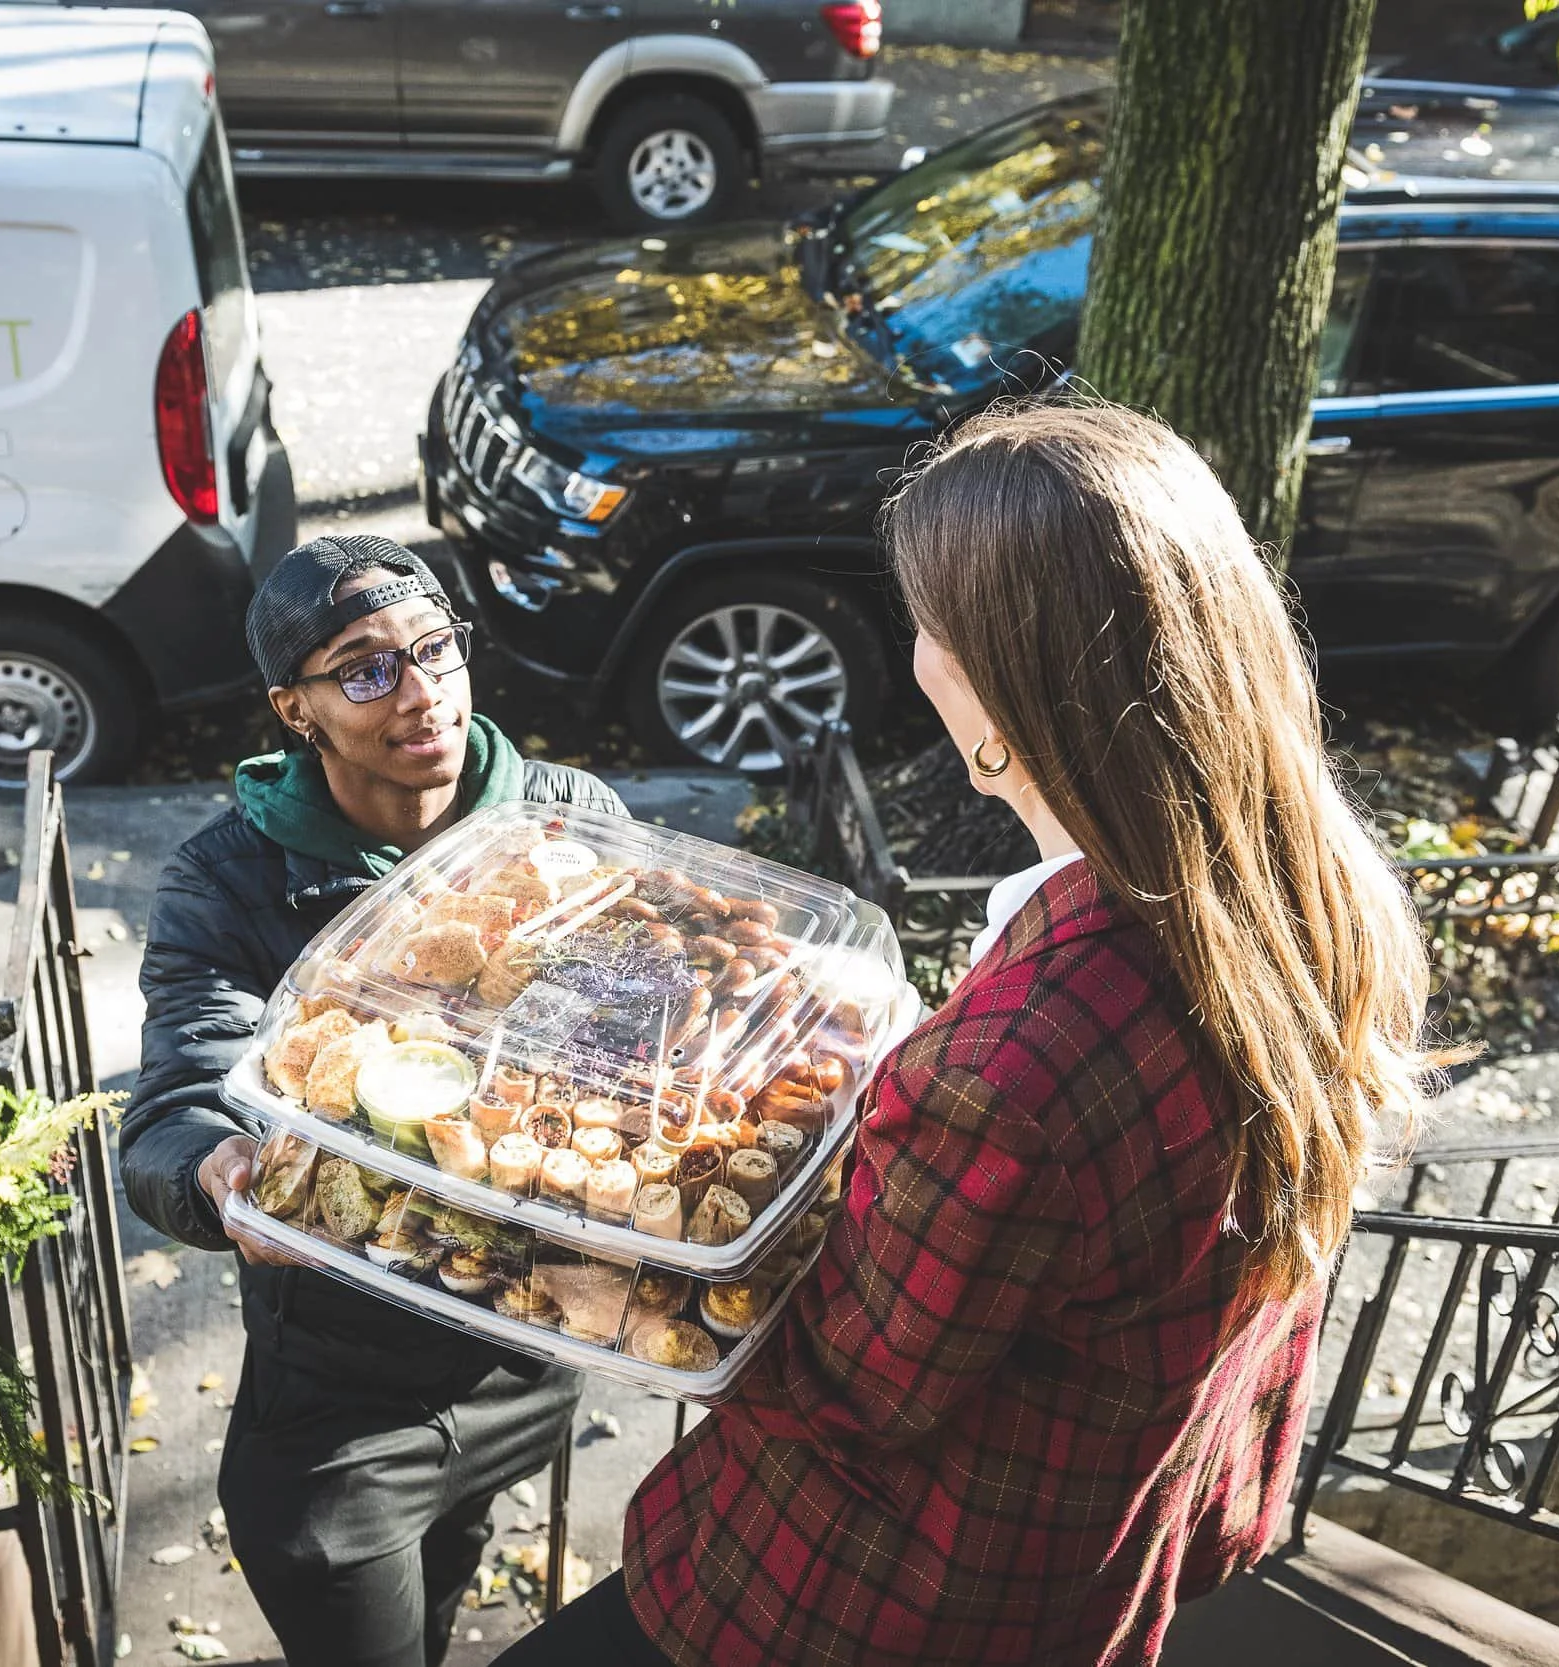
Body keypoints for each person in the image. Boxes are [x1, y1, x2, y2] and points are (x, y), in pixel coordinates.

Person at [497, 403, 1437, 1667]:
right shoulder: (1304, 889)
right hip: (1107, 1526)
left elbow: (854, 1385)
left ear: (1003, 695)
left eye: (927, 623)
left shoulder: (1015, 1066)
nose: (916, 650)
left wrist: (595, 1270)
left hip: (881, 1594)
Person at [120, 534, 626, 1667]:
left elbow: (643, 1033)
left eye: (435, 649)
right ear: (293, 710)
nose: (421, 692)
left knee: (453, 1579)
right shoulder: (229, 874)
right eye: (364, 669)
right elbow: (175, 1098)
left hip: (524, 1337)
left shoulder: (569, 816)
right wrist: (215, 1175)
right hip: (337, 1391)